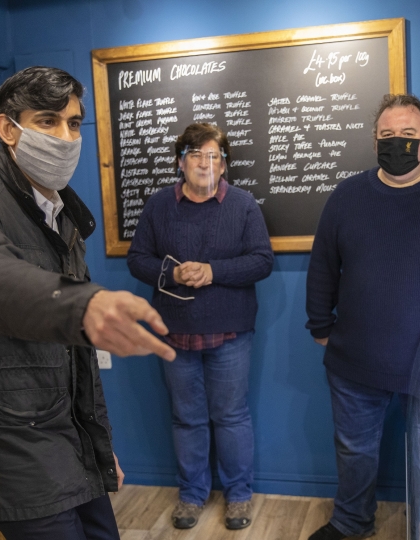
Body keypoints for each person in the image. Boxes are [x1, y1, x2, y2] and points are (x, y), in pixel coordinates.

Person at [0, 66, 176, 540]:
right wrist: (81, 305)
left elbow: (76, 361)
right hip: (13, 444)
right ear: (8, 129)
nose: (65, 137)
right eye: (47, 121)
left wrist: (99, 446)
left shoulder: (62, 213)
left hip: (70, 440)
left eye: (73, 123)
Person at [305, 94, 420, 540]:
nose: (397, 144)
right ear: (375, 143)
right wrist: (320, 326)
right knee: (354, 451)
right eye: (387, 135)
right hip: (356, 358)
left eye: (408, 135)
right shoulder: (347, 196)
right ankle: (350, 523)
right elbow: (323, 266)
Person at [127, 123, 274, 531]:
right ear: (181, 162)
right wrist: (172, 274)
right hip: (174, 331)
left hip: (230, 333)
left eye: (214, 156)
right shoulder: (159, 205)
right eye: (196, 154)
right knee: (186, 418)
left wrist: (213, 272)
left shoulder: (244, 205)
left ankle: (238, 495)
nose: (205, 163)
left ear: (224, 165)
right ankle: (192, 495)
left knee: (231, 416)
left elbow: (262, 260)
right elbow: (137, 258)